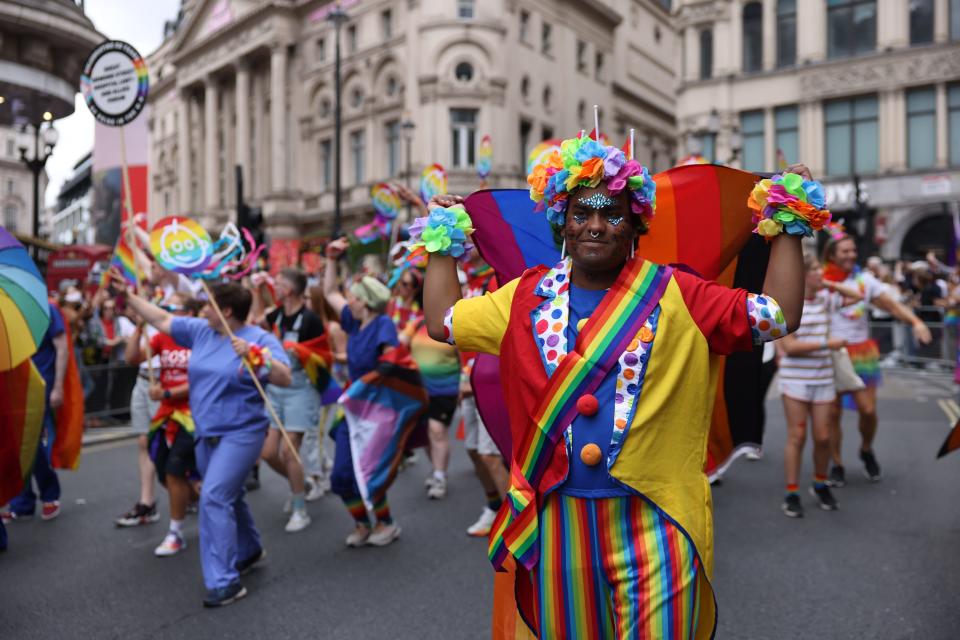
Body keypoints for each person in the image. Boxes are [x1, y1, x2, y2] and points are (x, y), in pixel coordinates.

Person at [422, 134, 807, 638]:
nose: (596, 225)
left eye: (613, 214)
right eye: (582, 213)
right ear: (562, 222)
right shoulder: (522, 297)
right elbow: (443, 322)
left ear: (636, 225)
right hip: (558, 519)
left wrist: (788, 223)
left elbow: (776, 315)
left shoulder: (680, 293)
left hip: (657, 522)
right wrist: (444, 239)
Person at [124, 281, 292, 607]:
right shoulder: (201, 330)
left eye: (208, 304)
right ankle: (250, 548)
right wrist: (127, 295)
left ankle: (225, 582)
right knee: (230, 495)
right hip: (206, 432)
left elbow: (285, 377)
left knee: (213, 496)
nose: (202, 309)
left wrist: (258, 359)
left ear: (226, 311)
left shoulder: (259, 338)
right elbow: (159, 318)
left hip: (242, 433)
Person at [822, 234, 933, 485]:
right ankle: (836, 463)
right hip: (830, 354)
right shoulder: (822, 281)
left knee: (869, 410)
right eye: (845, 251)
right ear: (831, 255)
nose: (851, 255)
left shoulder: (865, 281)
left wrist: (916, 322)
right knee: (832, 414)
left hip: (861, 353)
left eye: (853, 250)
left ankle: (866, 449)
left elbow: (892, 306)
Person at [323, 238, 402, 547]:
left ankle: (385, 522)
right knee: (341, 475)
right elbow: (329, 292)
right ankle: (361, 522)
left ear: (365, 301)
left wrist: (368, 381)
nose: (348, 300)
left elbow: (390, 366)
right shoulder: (353, 323)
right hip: (352, 409)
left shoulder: (383, 324)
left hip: (376, 412)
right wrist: (331, 259)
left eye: (353, 297)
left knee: (369, 473)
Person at [776, 256, 862, 518]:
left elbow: (857, 295)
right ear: (802, 275)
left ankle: (820, 482)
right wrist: (827, 344)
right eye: (814, 270)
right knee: (797, 436)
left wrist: (825, 283)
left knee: (823, 438)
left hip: (823, 379)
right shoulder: (788, 306)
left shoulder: (826, 299)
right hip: (795, 380)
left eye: (820, 271)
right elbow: (789, 348)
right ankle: (792, 491)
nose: (819, 274)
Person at [125, 292, 201, 556]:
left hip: (193, 415)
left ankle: (175, 533)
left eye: (172, 308)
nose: (165, 312)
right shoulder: (160, 338)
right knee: (163, 470)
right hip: (166, 414)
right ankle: (198, 495)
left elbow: (201, 381)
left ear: (189, 313)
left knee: (175, 468)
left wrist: (169, 392)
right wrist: (138, 329)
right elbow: (131, 358)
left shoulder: (199, 338)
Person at [258, 268, 326, 533]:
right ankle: (302, 483)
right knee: (267, 452)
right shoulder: (276, 316)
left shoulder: (310, 319)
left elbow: (322, 357)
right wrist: (256, 290)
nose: (275, 286)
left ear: (293, 290)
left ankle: (300, 509)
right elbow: (258, 322)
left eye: (280, 283)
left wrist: (298, 351)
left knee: (289, 450)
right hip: (277, 388)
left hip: (300, 388)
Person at [2, 302, 69, 522]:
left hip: (41, 385)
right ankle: (22, 502)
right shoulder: (6, 309)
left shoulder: (46, 308)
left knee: (32, 443)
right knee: (14, 445)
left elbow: (62, 346)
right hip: (13, 386)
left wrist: (58, 386)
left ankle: (50, 494)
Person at [401, 268, 460, 500]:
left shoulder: (453, 323)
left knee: (436, 430)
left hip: (446, 388)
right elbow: (399, 344)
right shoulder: (416, 322)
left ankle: (439, 476)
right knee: (428, 434)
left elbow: (466, 356)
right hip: (420, 390)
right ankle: (436, 469)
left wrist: (465, 383)